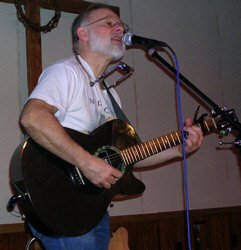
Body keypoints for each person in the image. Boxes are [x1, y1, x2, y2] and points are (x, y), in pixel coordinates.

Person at [19, 3, 203, 250]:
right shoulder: (67, 72)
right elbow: (33, 118)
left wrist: (177, 150)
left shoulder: (109, 95)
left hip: (94, 209)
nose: (119, 27)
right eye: (108, 22)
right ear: (83, 33)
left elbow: (128, 156)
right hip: (62, 206)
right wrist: (87, 163)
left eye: (121, 25)